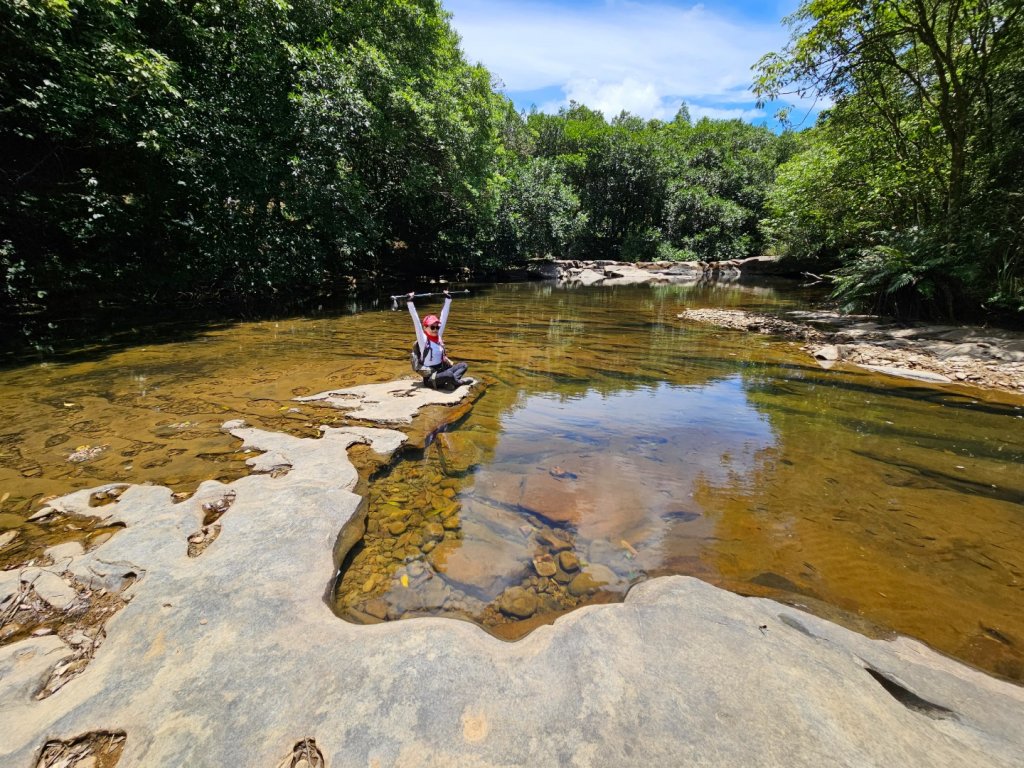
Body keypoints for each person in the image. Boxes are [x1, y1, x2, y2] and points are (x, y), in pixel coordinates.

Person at [407, 289, 470, 389]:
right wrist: (410, 302)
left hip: (441, 370)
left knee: (463, 365)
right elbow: (416, 322)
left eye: (437, 327)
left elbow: (444, 317)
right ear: (425, 327)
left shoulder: (438, 336)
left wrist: (448, 300)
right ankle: (457, 382)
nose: (435, 329)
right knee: (448, 375)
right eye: (432, 327)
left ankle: (452, 382)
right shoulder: (423, 341)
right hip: (431, 378)